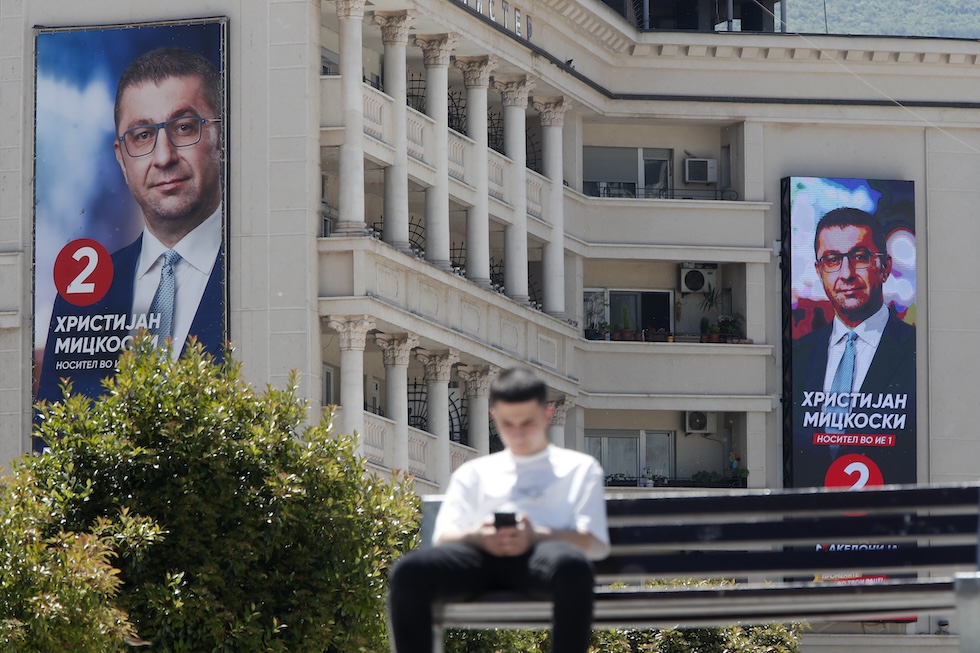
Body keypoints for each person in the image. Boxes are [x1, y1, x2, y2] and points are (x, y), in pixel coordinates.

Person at [37, 47, 224, 406]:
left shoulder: (259, 281)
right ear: (121, 158)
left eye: (184, 128)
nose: (163, 157)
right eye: (142, 136)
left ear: (222, 137)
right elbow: (50, 444)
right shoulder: (80, 302)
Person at [387, 368, 609, 653]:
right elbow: (445, 538)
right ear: (494, 417)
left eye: (527, 422)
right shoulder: (475, 472)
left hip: (543, 559)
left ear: (547, 414)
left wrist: (535, 535)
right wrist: (479, 536)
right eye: (507, 424)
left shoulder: (579, 468)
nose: (517, 433)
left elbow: (594, 542)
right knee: (409, 571)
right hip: (480, 559)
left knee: (573, 568)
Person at [792, 207, 915, 487]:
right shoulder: (798, 356)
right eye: (832, 260)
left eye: (860, 257)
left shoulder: (916, 351)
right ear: (819, 270)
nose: (846, 273)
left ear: (884, 267)